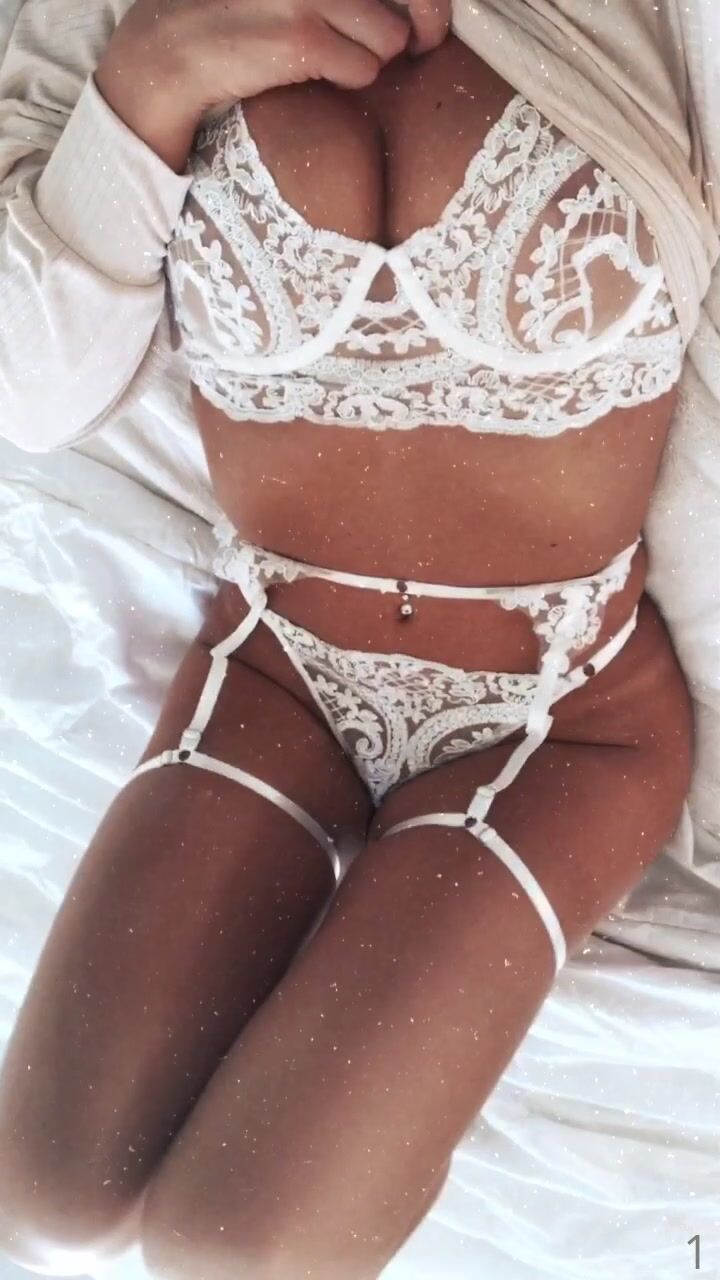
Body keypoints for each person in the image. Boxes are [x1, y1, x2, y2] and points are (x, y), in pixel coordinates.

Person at [0, 1, 709, 1276]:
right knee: (44, 1198)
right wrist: (146, 78)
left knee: (232, 1245)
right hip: (279, 661)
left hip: (561, 715)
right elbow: (31, 395)